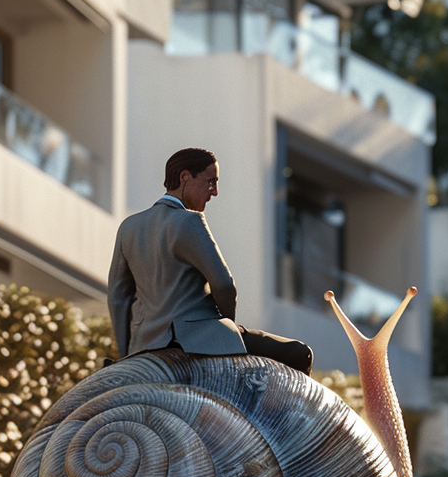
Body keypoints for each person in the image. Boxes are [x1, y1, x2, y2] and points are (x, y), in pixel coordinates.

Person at [108, 146, 313, 374]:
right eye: (210, 182)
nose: (214, 192)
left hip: (143, 345)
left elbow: (118, 297)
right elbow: (224, 285)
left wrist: (127, 353)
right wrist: (227, 328)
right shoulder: (189, 221)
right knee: (299, 352)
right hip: (196, 340)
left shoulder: (129, 227)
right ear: (185, 177)